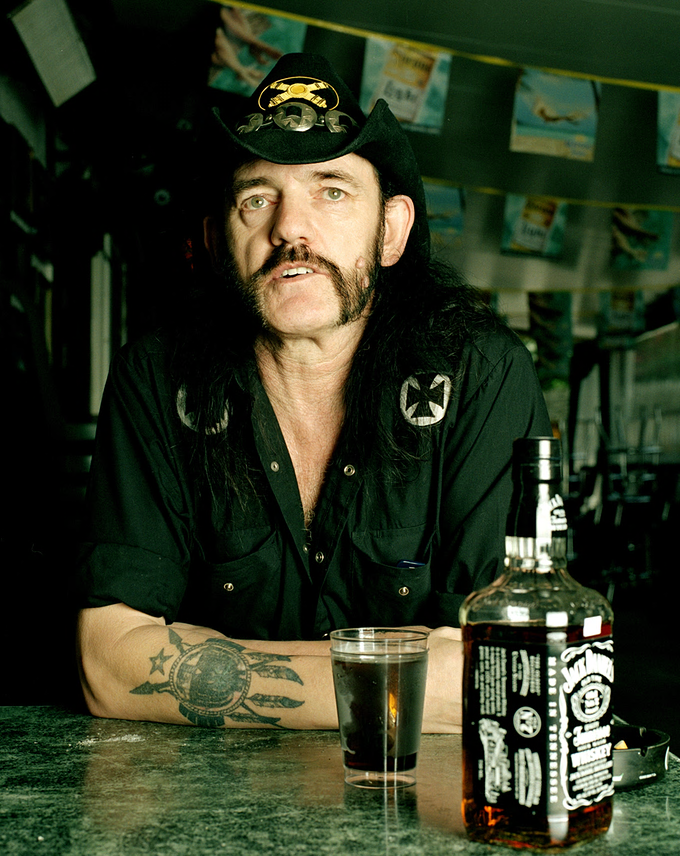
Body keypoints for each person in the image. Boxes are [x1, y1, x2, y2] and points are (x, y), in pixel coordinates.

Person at [76, 53, 551, 731]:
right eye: (257, 198)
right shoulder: (155, 379)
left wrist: (206, 664)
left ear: (390, 231)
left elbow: (501, 669)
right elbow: (107, 664)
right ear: (218, 242)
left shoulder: (483, 374)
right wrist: (413, 676)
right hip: (208, 791)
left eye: (332, 191)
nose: (290, 229)